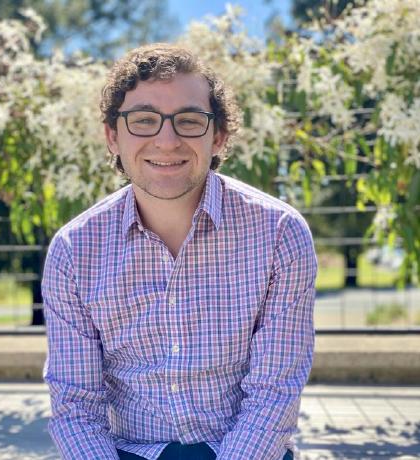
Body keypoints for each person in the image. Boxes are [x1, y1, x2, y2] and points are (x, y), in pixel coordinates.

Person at [42, 43, 317, 460]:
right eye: (143, 120)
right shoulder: (73, 250)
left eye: (189, 121)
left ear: (218, 136)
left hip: (244, 449)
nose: (166, 141)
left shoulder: (280, 233)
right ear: (113, 136)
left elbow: (274, 396)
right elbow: (75, 408)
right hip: (129, 451)